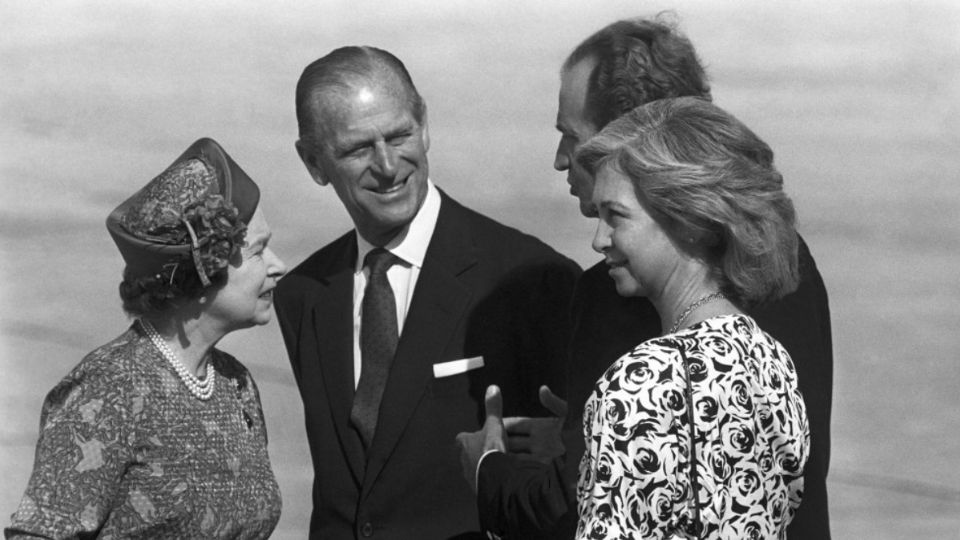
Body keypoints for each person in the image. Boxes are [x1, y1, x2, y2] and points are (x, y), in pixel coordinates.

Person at [463, 16, 833, 539]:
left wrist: (488, 468)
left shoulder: (632, 353)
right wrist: (595, 438)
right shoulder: (775, 316)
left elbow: (568, 512)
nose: (560, 159)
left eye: (572, 136)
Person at [273, 46, 580, 539]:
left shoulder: (531, 278)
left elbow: (574, 484)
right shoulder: (304, 296)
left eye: (399, 136)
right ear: (313, 161)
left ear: (425, 125)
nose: (388, 165)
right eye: (358, 149)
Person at [5, 138, 286, 539]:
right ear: (206, 270)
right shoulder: (108, 391)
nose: (280, 266)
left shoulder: (234, 384)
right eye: (260, 252)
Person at [575, 96, 809, 538]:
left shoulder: (641, 381)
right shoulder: (771, 361)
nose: (598, 239)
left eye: (616, 217)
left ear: (690, 221)